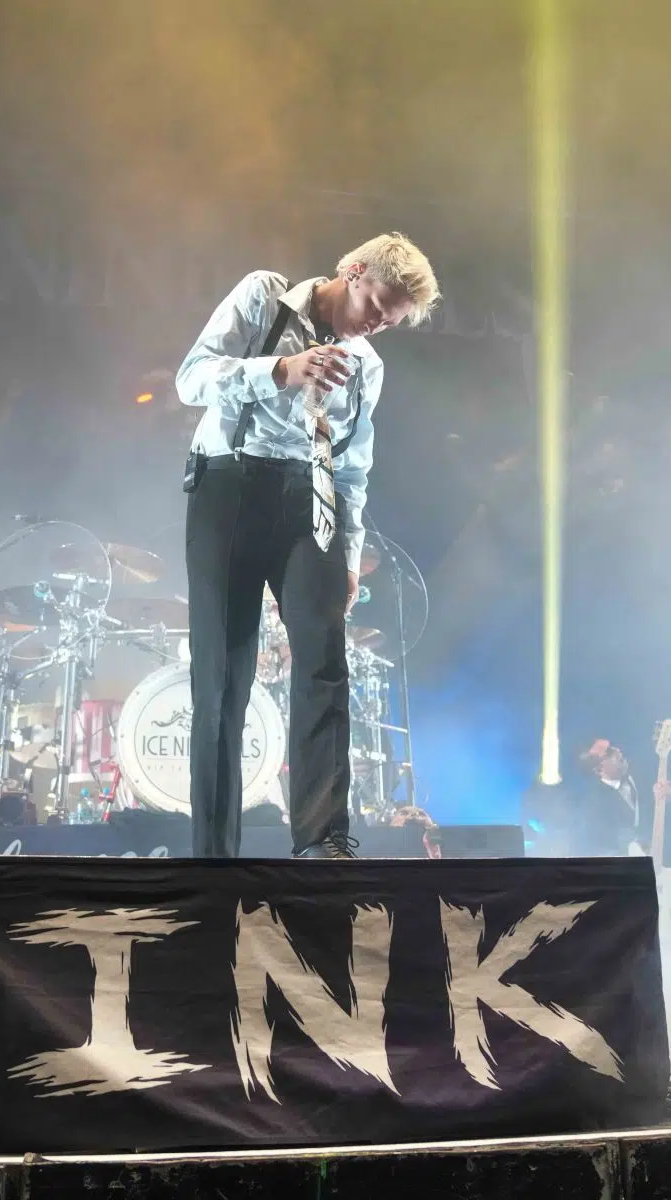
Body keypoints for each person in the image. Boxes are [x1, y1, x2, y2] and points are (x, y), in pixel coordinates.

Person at [175, 232, 440, 859]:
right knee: (223, 673)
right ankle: (214, 852)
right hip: (230, 485)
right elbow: (192, 379)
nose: (377, 324)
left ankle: (323, 840)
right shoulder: (265, 296)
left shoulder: (367, 367)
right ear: (355, 271)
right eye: (377, 306)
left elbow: (354, 468)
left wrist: (347, 555)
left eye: (391, 321)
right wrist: (280, 370)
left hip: (312, 503)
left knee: (324, 662)